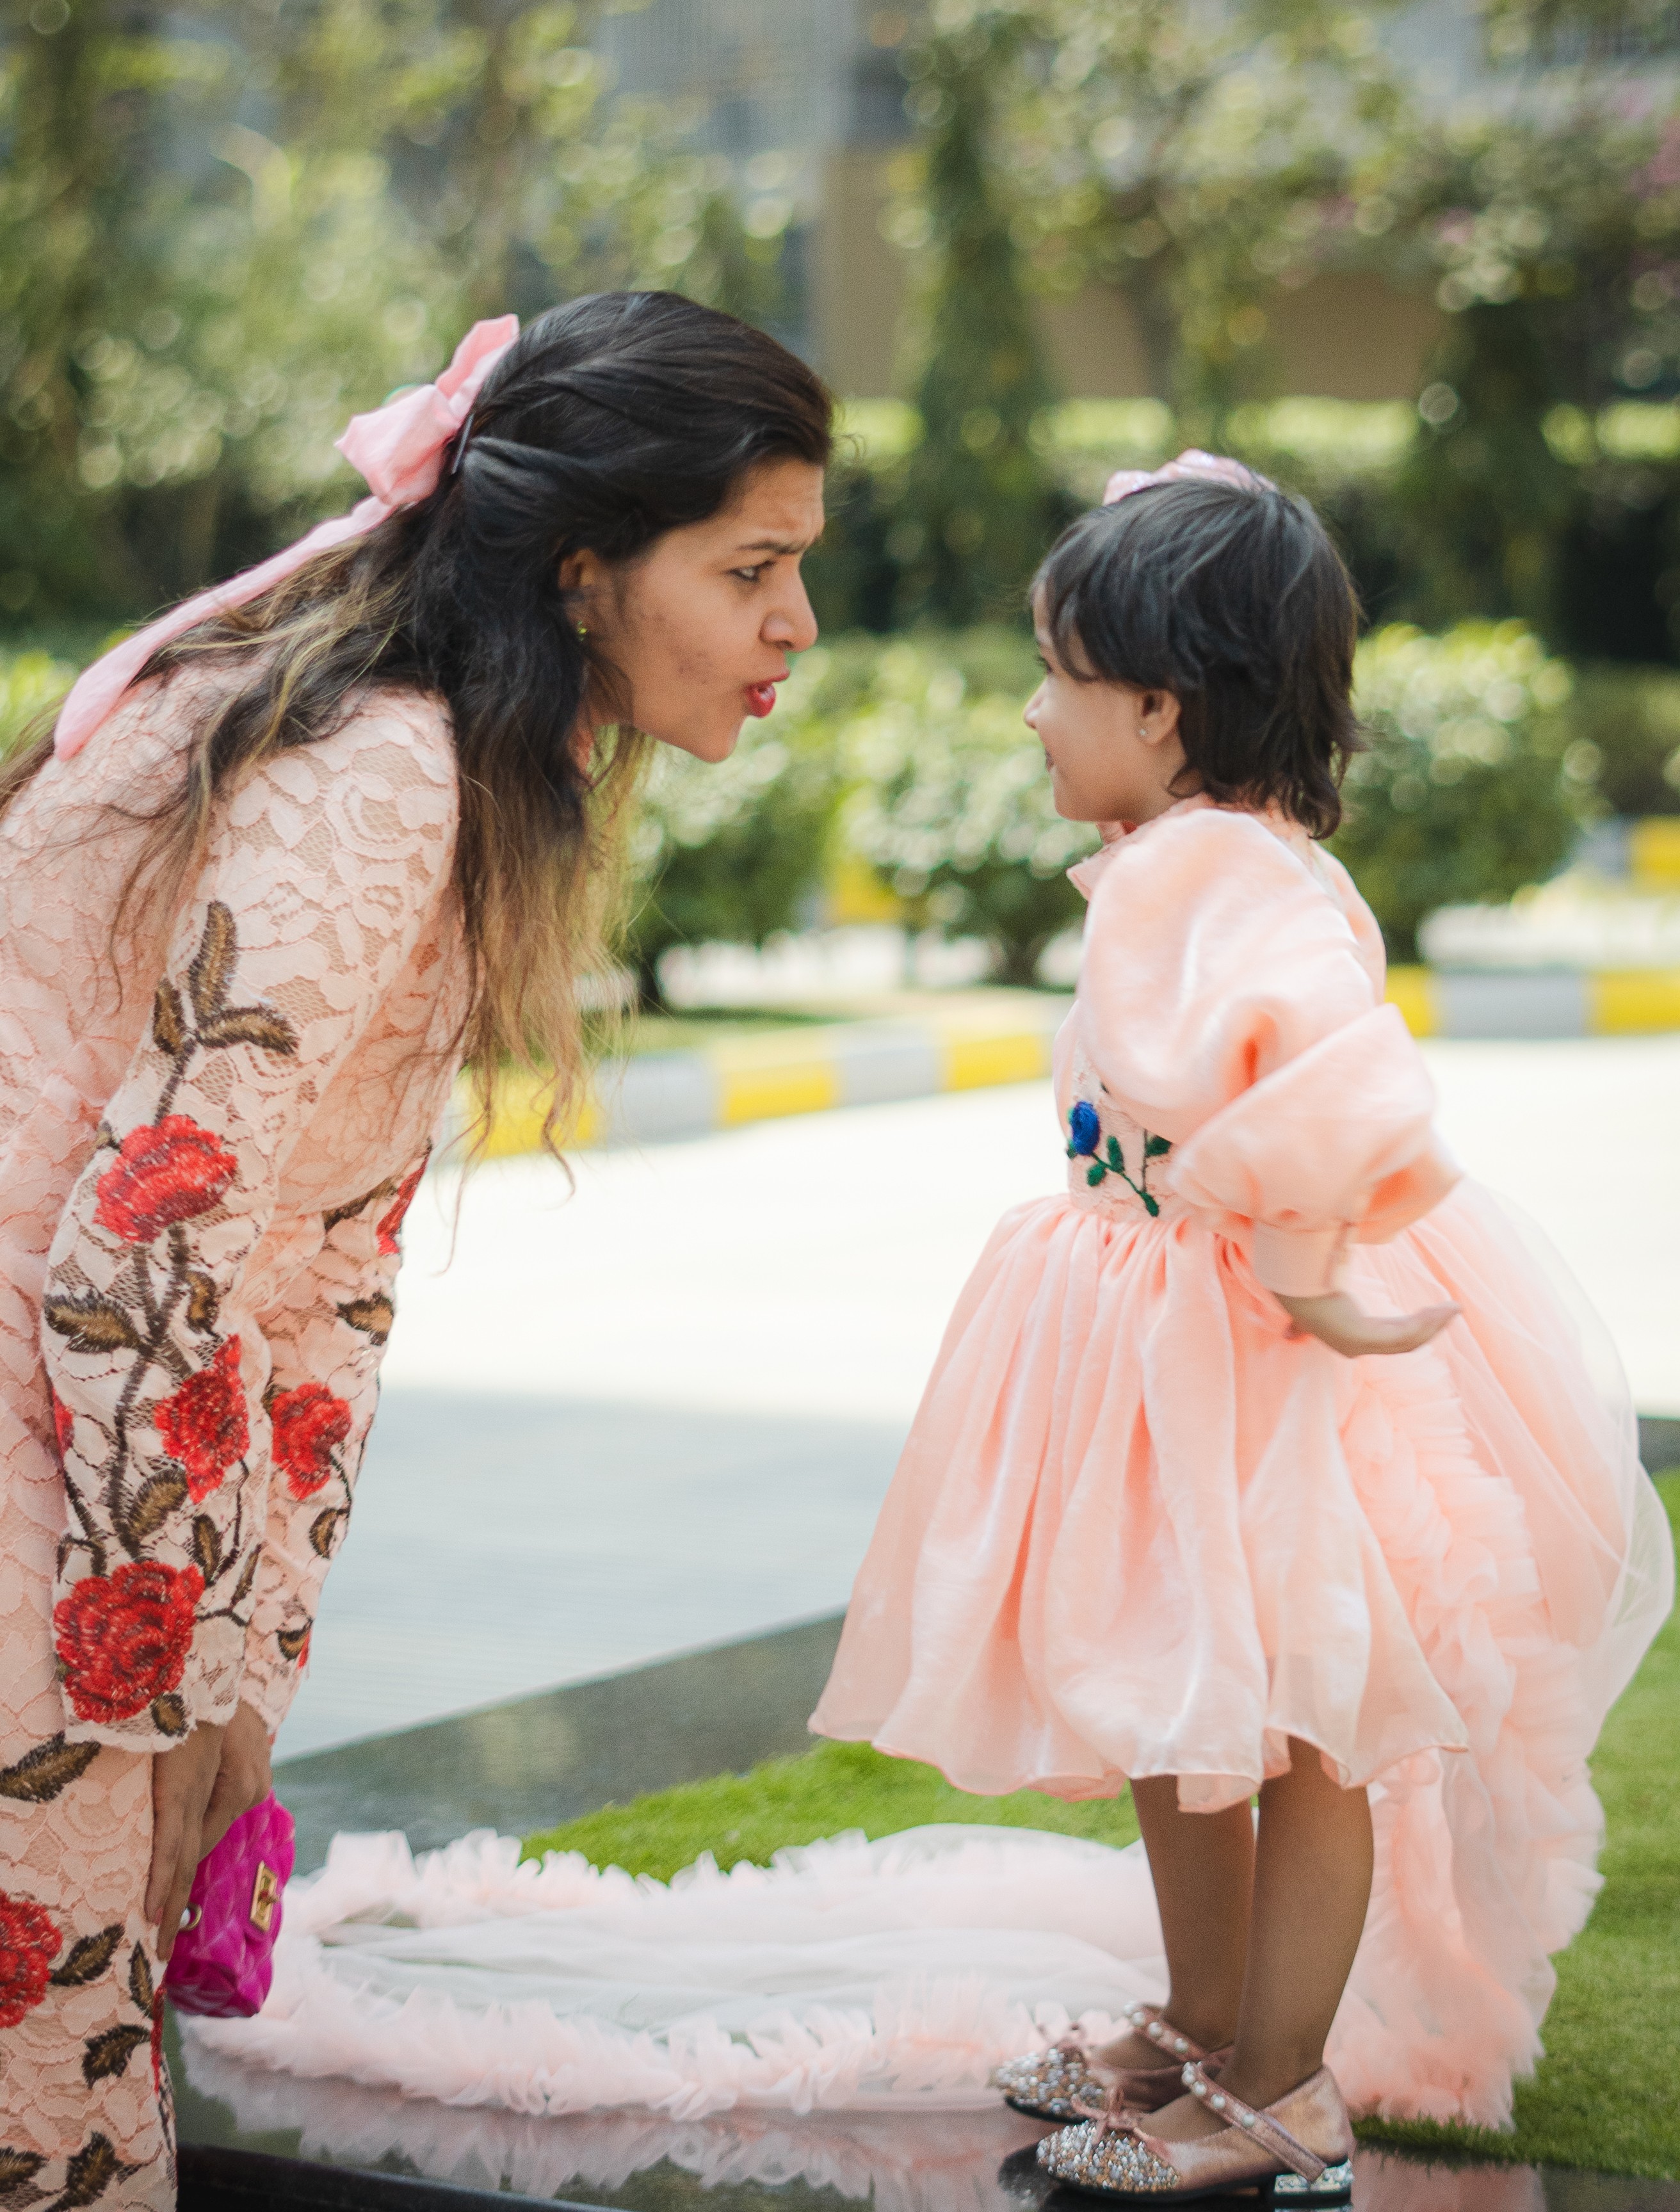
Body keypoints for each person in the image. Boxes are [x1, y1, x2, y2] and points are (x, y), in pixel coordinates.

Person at [0, 288, 830, 2210]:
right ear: (581, 570)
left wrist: (238, 1676)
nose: (797, 622)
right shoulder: (382, 771)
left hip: (77, 1470)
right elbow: (145, 1253)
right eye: (752, 568)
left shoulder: (441, 755)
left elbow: (315, 1276)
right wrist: (173, 1676)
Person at [809, 454, 1673, 2202]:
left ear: (1159, 705)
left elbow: (1334, 1069)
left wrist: (1300, 1267)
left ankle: (1281, 2087)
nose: (1031, 714)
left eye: (1055, 677)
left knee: (1296, 1722)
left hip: (1234, 1356)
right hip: (1171, 1331)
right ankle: (1211, 2033)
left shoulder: (1205, 868)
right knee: (1194, 1699)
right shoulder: (1204, 854)